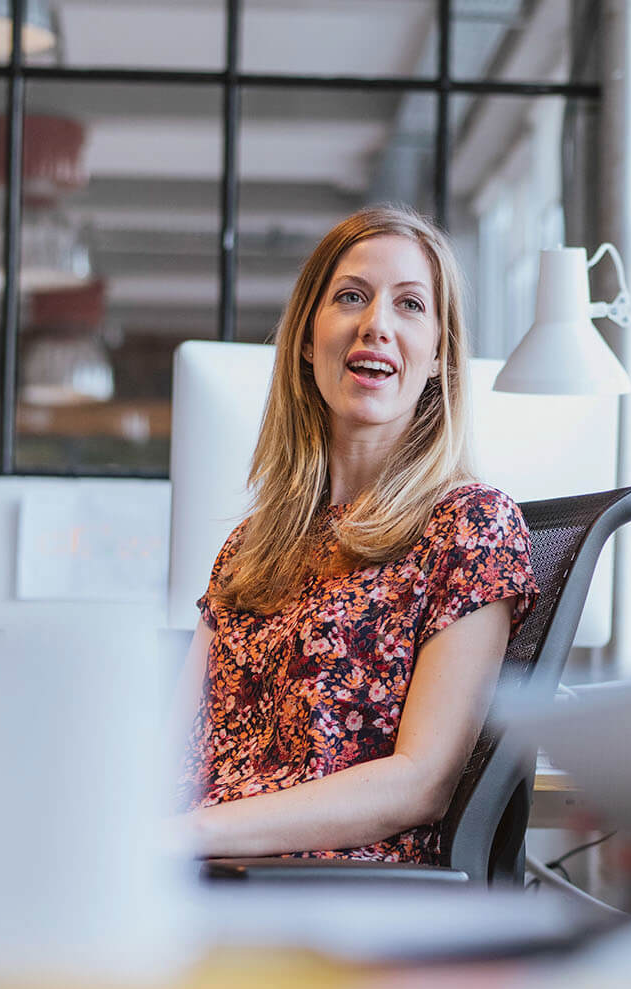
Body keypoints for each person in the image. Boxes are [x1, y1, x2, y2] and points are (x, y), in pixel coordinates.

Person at [176, 205, 536, 862]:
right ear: (309, 339)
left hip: (328, 895)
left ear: (438, 358)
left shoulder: (471, 524)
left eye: (409, 306)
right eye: (351, 297)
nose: (376, 325)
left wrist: (183, 837)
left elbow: (421, 784)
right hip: (195, 881)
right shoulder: (249, 549)